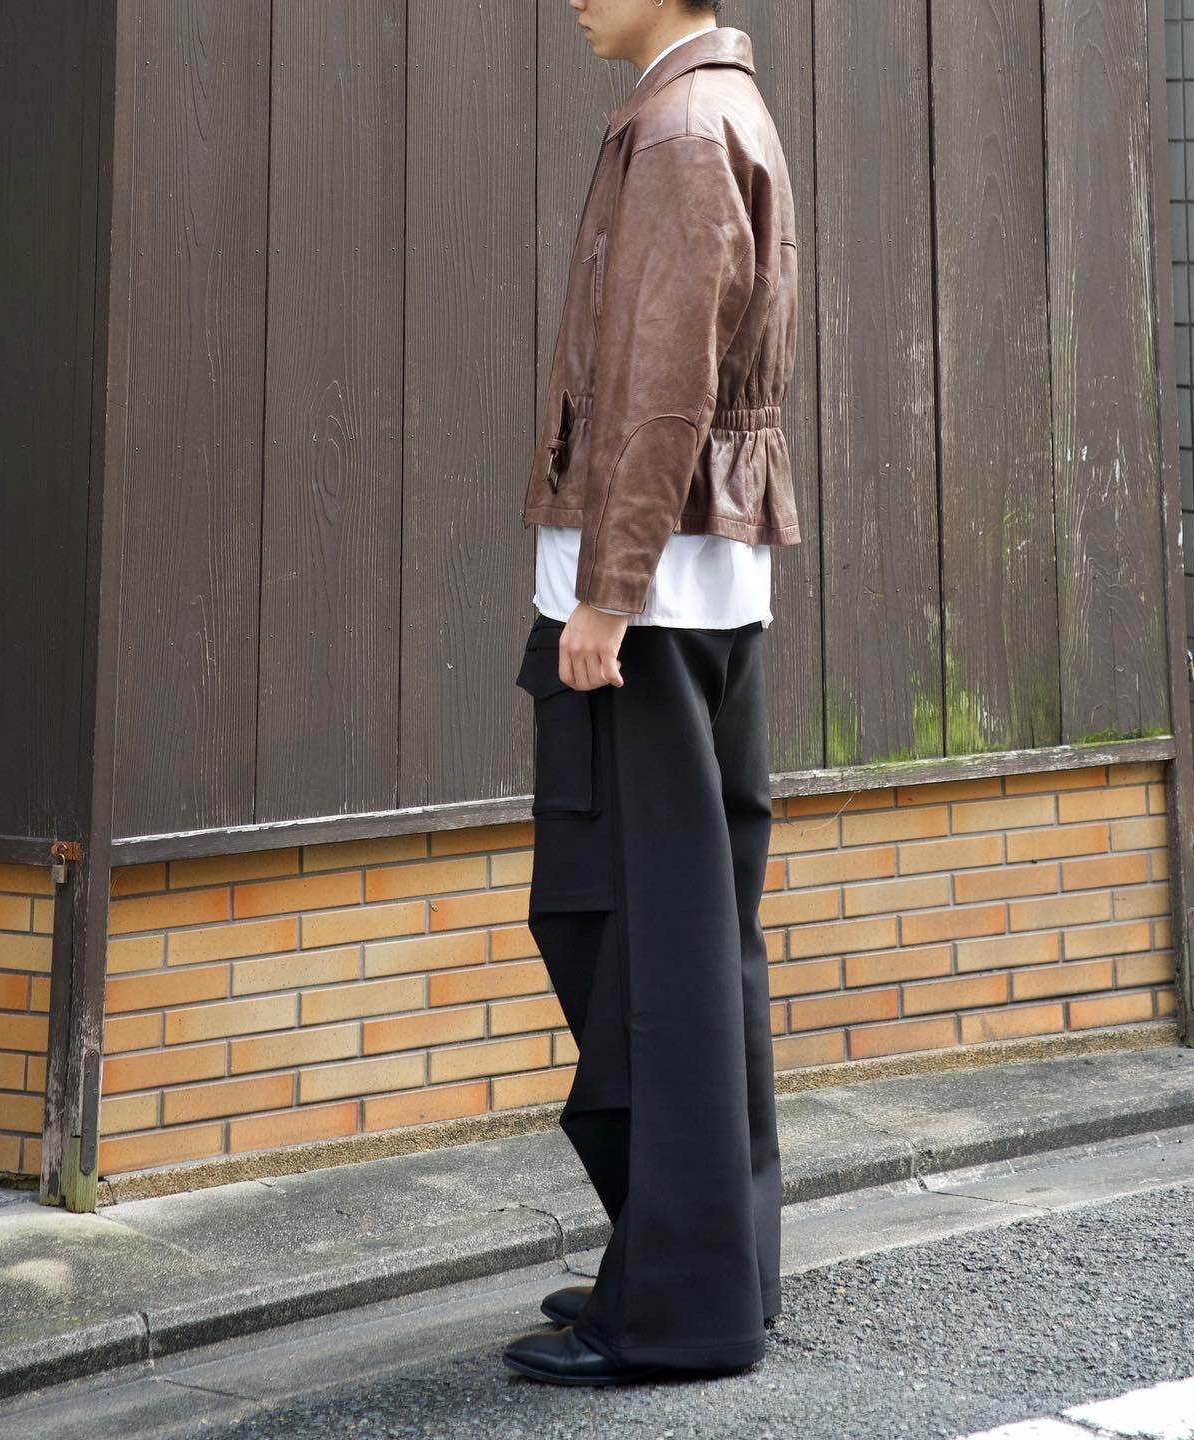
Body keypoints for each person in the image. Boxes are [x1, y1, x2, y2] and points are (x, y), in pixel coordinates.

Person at [505, 0, 803, 1387]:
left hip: (651, 604)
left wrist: (605, 594)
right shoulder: (709, 109)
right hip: (694, 592)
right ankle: (713, 1267)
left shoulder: (683, 128)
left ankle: (681, 1308)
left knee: (647, 946)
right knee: (693, 943)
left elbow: (669, 387)